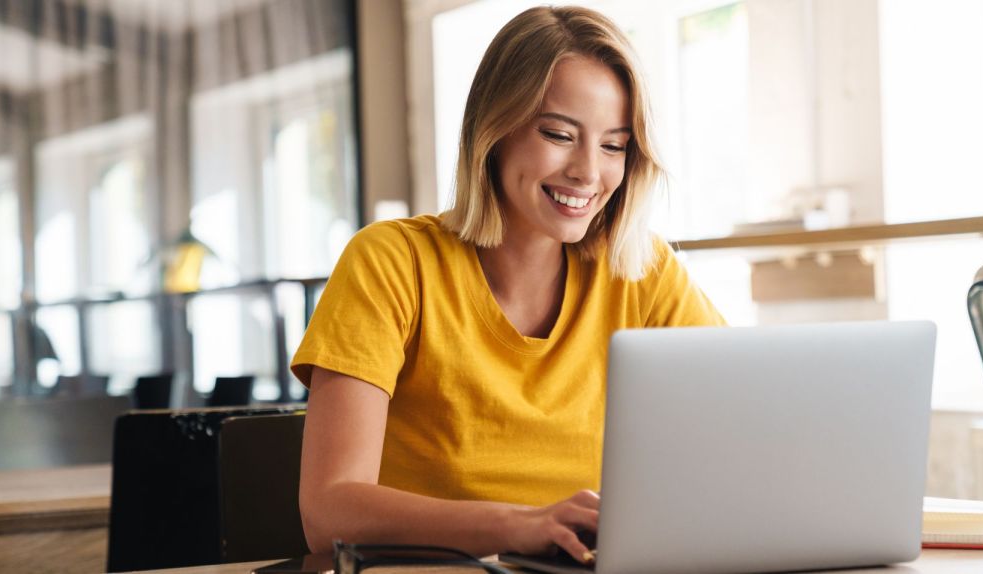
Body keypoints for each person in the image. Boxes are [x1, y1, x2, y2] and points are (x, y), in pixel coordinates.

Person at [290, 5, 724, 564]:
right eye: (559, 135)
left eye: (614, 145)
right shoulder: (392, 262)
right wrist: (518, 525)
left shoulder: (642, 271)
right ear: (494, 131)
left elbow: (742, 432)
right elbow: (328, 514)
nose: (589, 173)